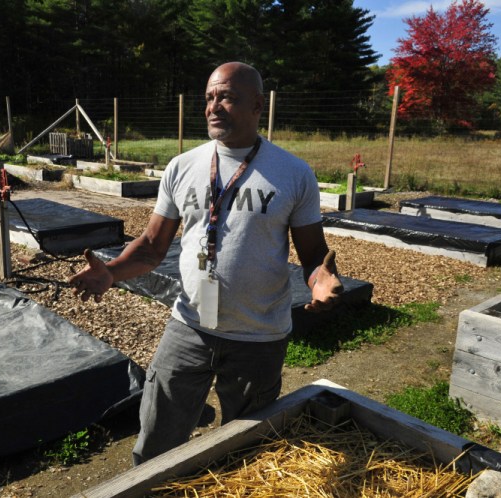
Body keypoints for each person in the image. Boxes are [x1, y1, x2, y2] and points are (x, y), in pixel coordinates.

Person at [69, 61, 343, 465]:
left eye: (227, 96)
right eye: (210, 98)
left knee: (247, 445)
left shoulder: (293, 173)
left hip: (259, 335)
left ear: (257, 105)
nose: (214, 106)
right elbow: (150, 247)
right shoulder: (183, 167)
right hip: (190, 326)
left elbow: (313, 255)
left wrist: (321, 280)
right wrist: (111, 272)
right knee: (157, 436)